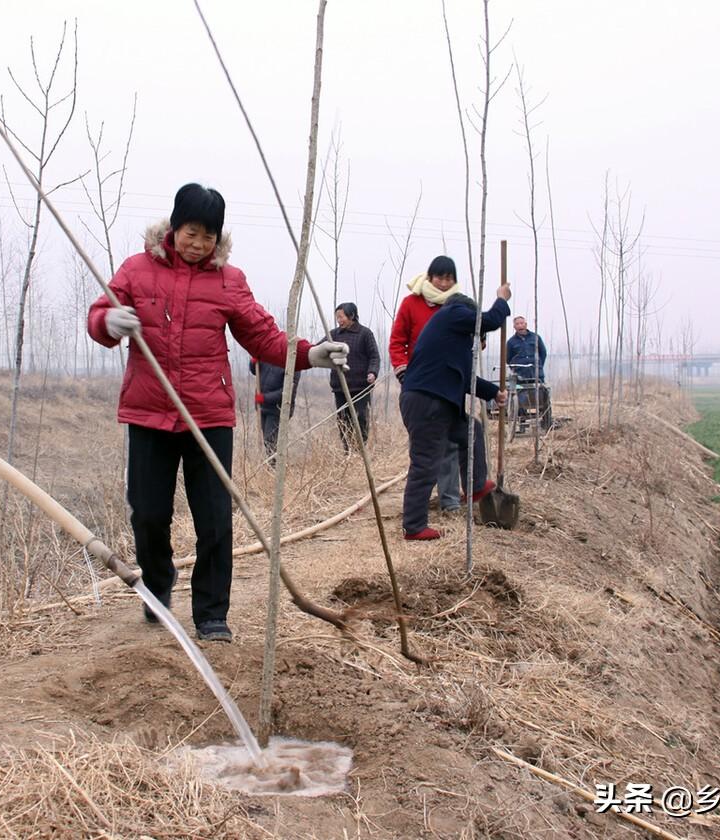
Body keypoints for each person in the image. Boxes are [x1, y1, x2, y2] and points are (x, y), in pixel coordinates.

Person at [87, 183, 348, 643]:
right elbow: (99, 314)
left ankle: (212, 614)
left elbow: (263, 336)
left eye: (209, 236)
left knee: (214, 518)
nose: (198, 243)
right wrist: (109, 322)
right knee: (148, 514)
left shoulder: (229, 280)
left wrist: (310, 354)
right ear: (174, 227)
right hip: (150, 414)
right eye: (192, 232)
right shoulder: (137, 269)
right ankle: (158, 588)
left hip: (208, 415)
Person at [399, 283, 512, 540]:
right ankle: (414, 526)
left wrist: (494, 393)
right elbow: (490, 320)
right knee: (426, 464)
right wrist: (501, 299)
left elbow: (465, 379)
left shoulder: (451, 341)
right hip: (427, 402)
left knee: (471, 431)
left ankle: (475, 485)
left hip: (437, 402)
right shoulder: (452, 313)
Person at [389, 255, 464, 512]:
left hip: (450, 385)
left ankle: (450, 500)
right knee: (423, 446)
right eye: (439, 277)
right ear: (430, 277)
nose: (444, 283)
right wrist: (403, 372)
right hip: (420, 385)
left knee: (451, 443)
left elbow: (472, 335)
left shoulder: (457, 306)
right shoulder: (411, 304)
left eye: (449, 278)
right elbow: (397, 341)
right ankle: (420, 504)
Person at [329, 302, 381, 452]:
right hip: (340, 387)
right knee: (342, 420)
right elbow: (319, 348)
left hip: (361, 387)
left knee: (360, 418)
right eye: (337, 317)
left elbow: (374, 357)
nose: (339, 320)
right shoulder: (333, 335)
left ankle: (360, 450)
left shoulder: (365, 334)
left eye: (341, 317)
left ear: (351, 316)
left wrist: (372, 372)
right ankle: (347, 451)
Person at [249, 357, 300, 459]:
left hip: (279, 409)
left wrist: (265, 398)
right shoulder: (268, 353)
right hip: (262, 407)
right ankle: (273, 466)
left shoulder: (293, 362)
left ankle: (275, 468)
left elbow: (287, 391)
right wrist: (253, 363)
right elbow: (255, 371)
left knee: (271, 440)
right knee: (267, 441)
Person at [506, 316, 551, 426]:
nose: (520, 326)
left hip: (536, 373)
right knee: (520, 397)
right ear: (514, 327)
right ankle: (522, 422)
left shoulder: (535, 338)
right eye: (518, 324)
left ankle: (546, 421)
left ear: (526, 324)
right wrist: (516, 368)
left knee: (543, 395)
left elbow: (543, 353)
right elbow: (508, 359)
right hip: (520, 375)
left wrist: (538, 365)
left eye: (522, 323)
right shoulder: (511, 342)